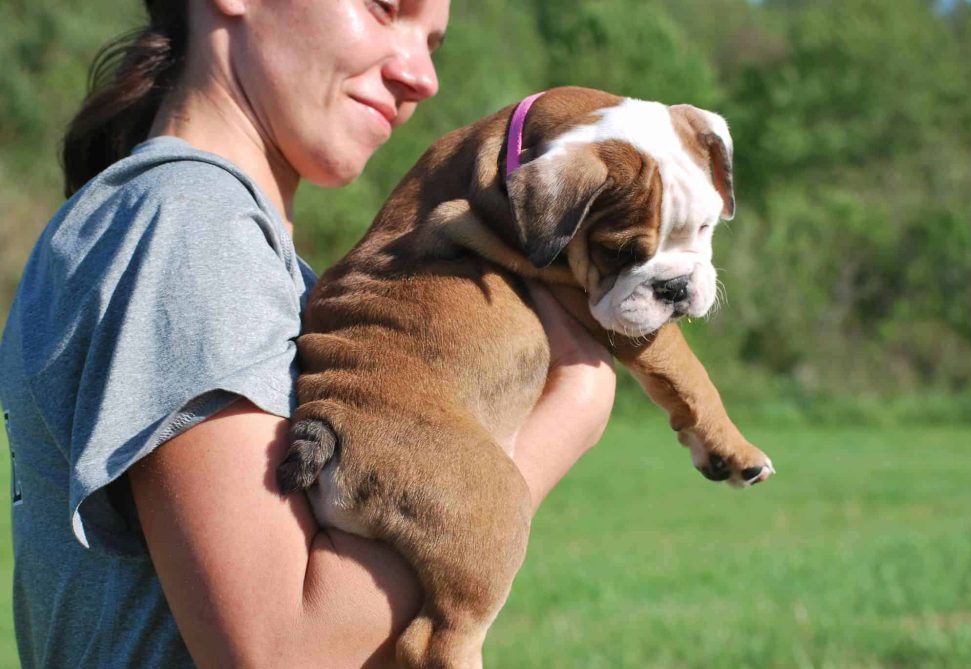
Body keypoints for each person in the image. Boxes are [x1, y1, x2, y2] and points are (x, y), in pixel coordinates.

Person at [0, 0, 617, 666]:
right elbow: (278, 651)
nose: (421, 76)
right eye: (384, 9)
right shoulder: (190, 225)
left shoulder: (218, 238)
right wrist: (556, 426)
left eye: (432, 42)